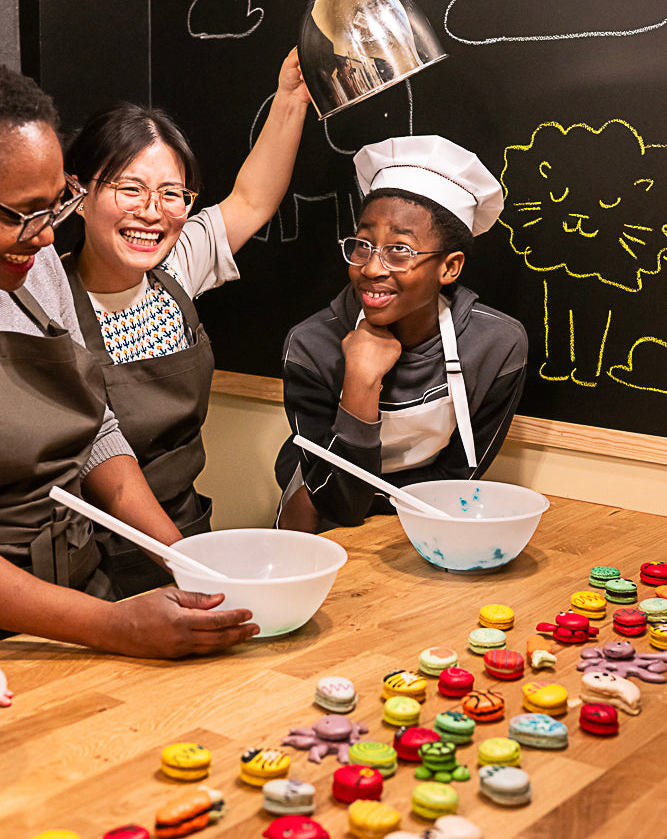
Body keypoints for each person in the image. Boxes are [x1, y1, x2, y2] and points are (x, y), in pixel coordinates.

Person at [0, 63, 259, 656]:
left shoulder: (35, 271)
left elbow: (96, 431)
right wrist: (110, 627)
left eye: (52, 207)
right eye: (20, 214)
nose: (45, 239)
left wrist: (183, 560)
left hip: (81, 581)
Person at [61, 50, 310, 596]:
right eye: (130, 188)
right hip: (88, 559)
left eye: (172, 194)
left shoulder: (176, 268)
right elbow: (107, 470)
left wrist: (291, 95)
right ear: (78, 195)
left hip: (187, 533)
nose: (153, 212)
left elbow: (253, 197)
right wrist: (189, 566)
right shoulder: (45, 301)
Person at [274, 134, 528, 532]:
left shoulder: (496, 344)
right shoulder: (310, 345)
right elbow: (336, 501)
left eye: (400, 250)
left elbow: (462, 476)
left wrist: (393, 511)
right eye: (363, 244)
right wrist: (360, 381)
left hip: (428, 522)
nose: (372, 268)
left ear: (450, 267)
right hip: (322, 525)